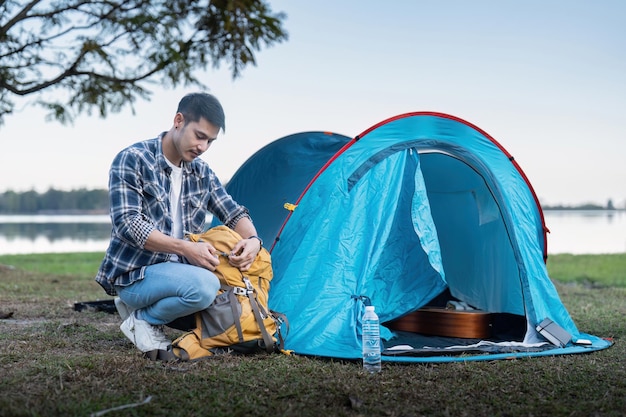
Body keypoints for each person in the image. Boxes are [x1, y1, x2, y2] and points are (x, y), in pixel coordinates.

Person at [94, 92, 263, 357]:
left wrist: (253, 241)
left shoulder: (202, 172)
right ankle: (144, 320)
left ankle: (143, 312)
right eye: (199, 136)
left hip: (179, 274)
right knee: (206, 287)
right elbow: (128, 223)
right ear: (178, 120)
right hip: (136, 274)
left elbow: (233, 213)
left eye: (210, 141)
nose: (203, 147)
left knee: (228, 294)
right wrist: (185, 248)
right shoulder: (133, 159)